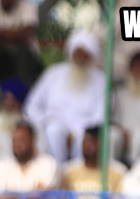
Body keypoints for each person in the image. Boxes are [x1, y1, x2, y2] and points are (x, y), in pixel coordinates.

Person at [23, 30, 105, 163]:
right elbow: (32, 105)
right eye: (77, 54)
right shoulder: (53, 74)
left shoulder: (101, 80)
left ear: (91, 57)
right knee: (53, 131)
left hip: (83, 131)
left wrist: (77, 132)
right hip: (51, 128)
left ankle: (76, 173)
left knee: (85, 139)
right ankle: (57, 171)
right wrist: (43, 123)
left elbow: (101, 115)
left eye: (85, 55)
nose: (80, 59)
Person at [61, 127, 126, 199]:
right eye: (85, 141)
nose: (87, 146)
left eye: (92, 141)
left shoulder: (118, 172)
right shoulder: (68, 171)